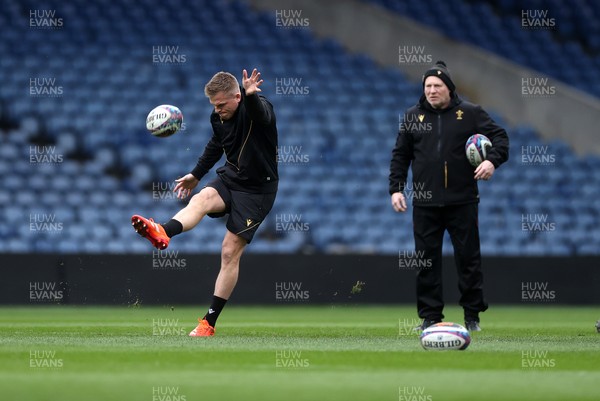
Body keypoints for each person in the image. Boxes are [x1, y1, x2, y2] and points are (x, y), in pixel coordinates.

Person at [132, 69, 278, 336]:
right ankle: (163, 231)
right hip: (232, 176)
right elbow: (216, 144)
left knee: (229, 252)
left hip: (257, 190)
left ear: (238, 96)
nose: (218, 110)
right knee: (202, 198)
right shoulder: (218, 116)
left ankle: (208, 322)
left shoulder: (258, 107)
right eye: (214, 105)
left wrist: (252, 96)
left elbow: (262, 115)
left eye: (222, 104)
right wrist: (196, 175)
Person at [389, 61, 509, 332]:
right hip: (425, 202)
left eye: (437, 86)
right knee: (426, 262)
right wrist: (396, 188)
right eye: (427, 86)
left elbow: (501, 139)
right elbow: (400, 155)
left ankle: (472, 316)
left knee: (468, 260)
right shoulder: (412, 117)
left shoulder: (470, 113)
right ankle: (430, 317)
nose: (431, 91)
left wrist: (491, 161)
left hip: (463, 200)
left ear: (449, 89)